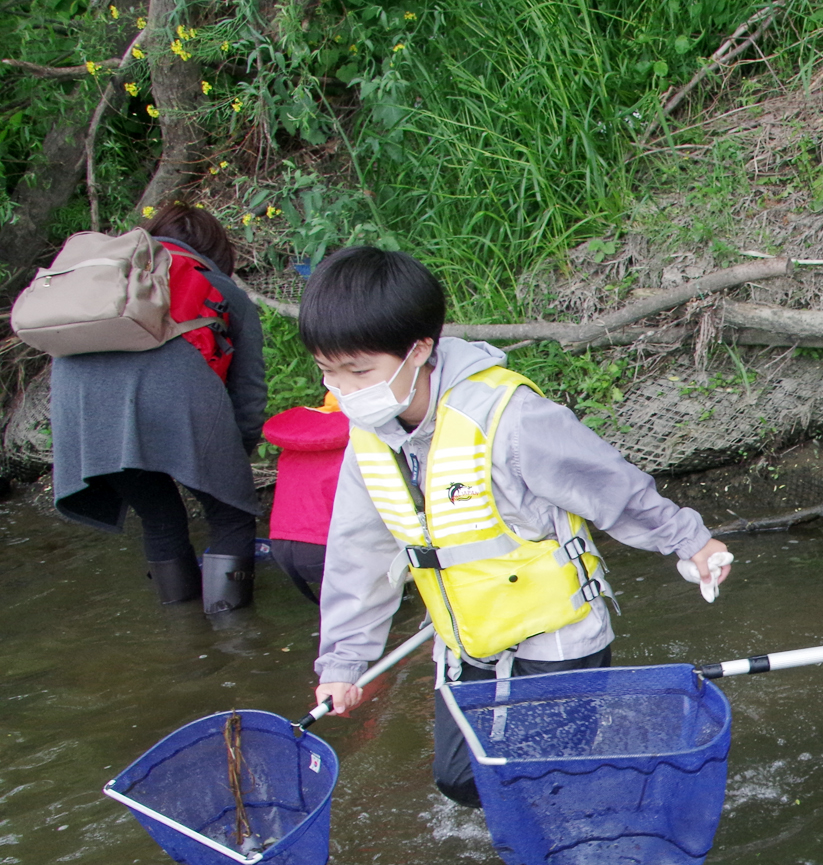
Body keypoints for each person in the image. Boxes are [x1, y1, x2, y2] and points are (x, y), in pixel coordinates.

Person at [302, 246, 732, 806]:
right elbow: (356, 556)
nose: (344, 391)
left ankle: (590, 809)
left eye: (359, 372)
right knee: (461, 779)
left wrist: (689, 542)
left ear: (420, 350)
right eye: (329, 372)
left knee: (542, 782)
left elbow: (606, 486)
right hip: (469, 641)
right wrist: (342, 662)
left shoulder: (509, 416)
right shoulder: (370, 442)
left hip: (557, 636)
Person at [50, 200, 266, 612]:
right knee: (231, 515)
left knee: (160, 516)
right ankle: (232, 631)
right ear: (215, 250)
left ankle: (183, 631)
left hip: (82, 414)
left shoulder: (108, 278)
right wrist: (232, 463)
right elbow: (248, 394)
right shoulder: (217, 286)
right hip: (176, 395)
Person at [261, 391, 349, 603]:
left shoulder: (301, 439)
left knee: (338, 613)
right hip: (328, 546)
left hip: (282, 547)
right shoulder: (364, 436)